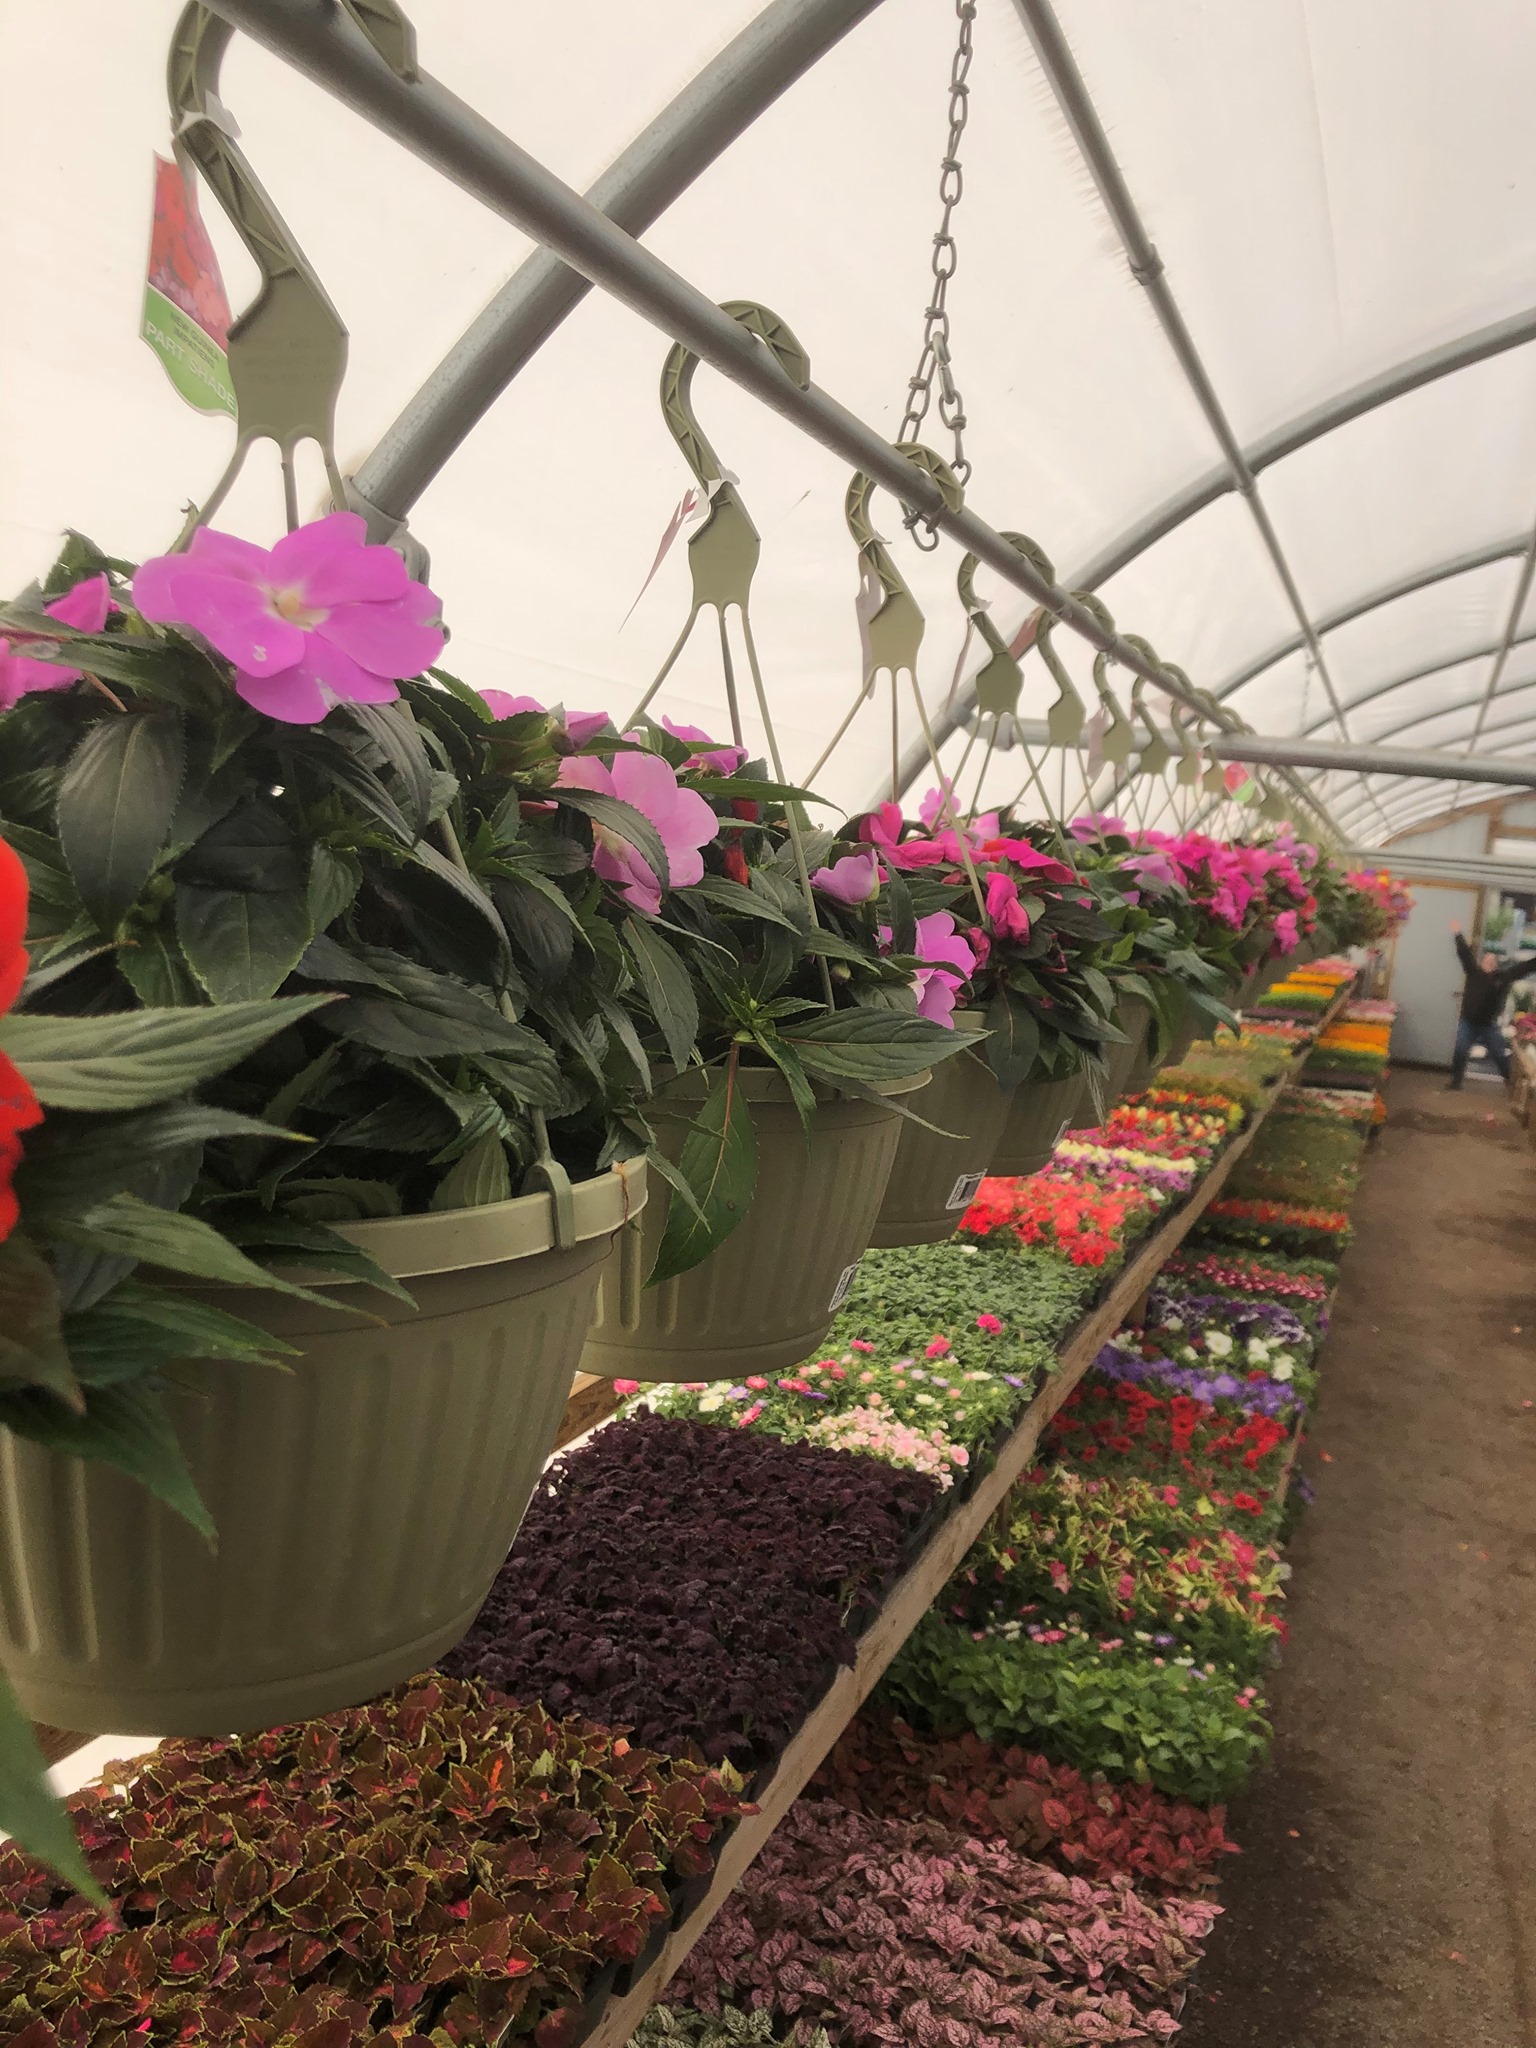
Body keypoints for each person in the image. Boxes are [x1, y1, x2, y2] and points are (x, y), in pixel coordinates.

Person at [1448, 922, 1526, 1086]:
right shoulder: (1473, 972)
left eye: (1492, 960)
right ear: (1482, 961)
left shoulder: (1502, 978)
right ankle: (1456, 1081)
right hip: (1468, 1022)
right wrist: (1458, 934)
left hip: (1488, 1025)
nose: (1488, 961)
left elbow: (1522, 969)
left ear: (1496, 964)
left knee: (1499, 1054)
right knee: (1460, 1050)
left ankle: (1509, 1081)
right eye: (1486, 959)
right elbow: (1464, 954)